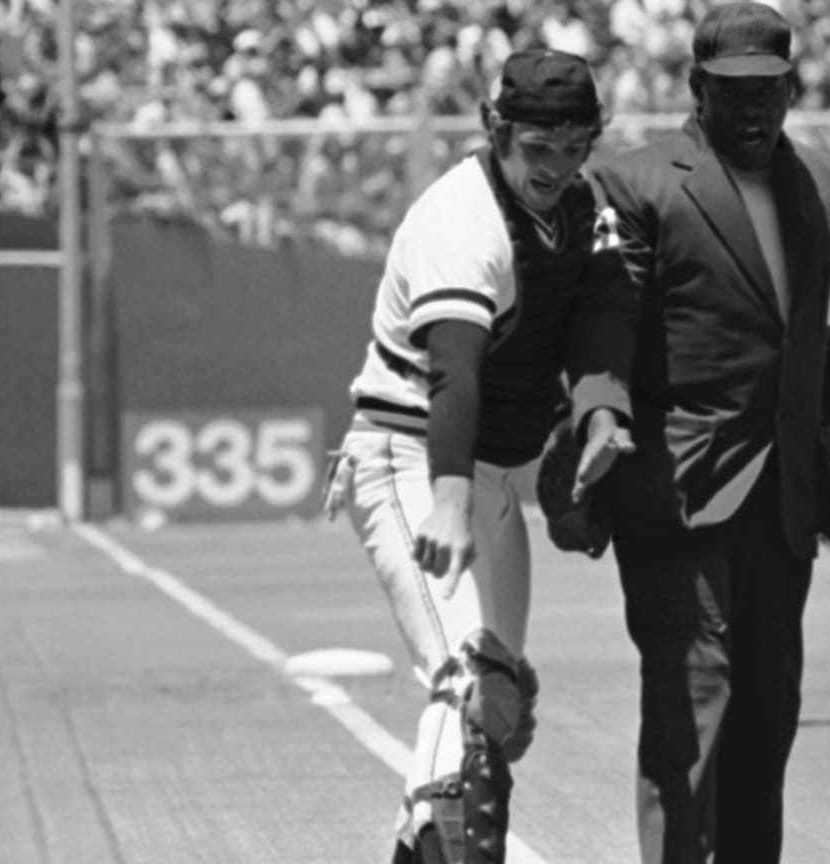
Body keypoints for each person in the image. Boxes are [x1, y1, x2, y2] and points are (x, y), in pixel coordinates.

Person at [588, 4, 830, 861]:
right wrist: (599, 411)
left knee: (768, 716)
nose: (753, 110)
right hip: (677, 496)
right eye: (732, 93)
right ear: (695, 90)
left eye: (770, 91)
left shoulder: (827, 186)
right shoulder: (636, 183)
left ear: (793, 88)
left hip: (784, 502)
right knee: (691, 710)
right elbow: (603, 324)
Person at [323, 49, 636, 864]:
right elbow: (453, 375)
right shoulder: (460, 220)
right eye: (540, 147)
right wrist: (450, 503)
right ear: (494, 129)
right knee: (469, 685)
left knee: (500, 705)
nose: (558, 166)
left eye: (577, 147)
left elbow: (598, 314)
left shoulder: (580, 205)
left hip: (490, 466)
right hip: (410, 456)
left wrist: (595, 415)